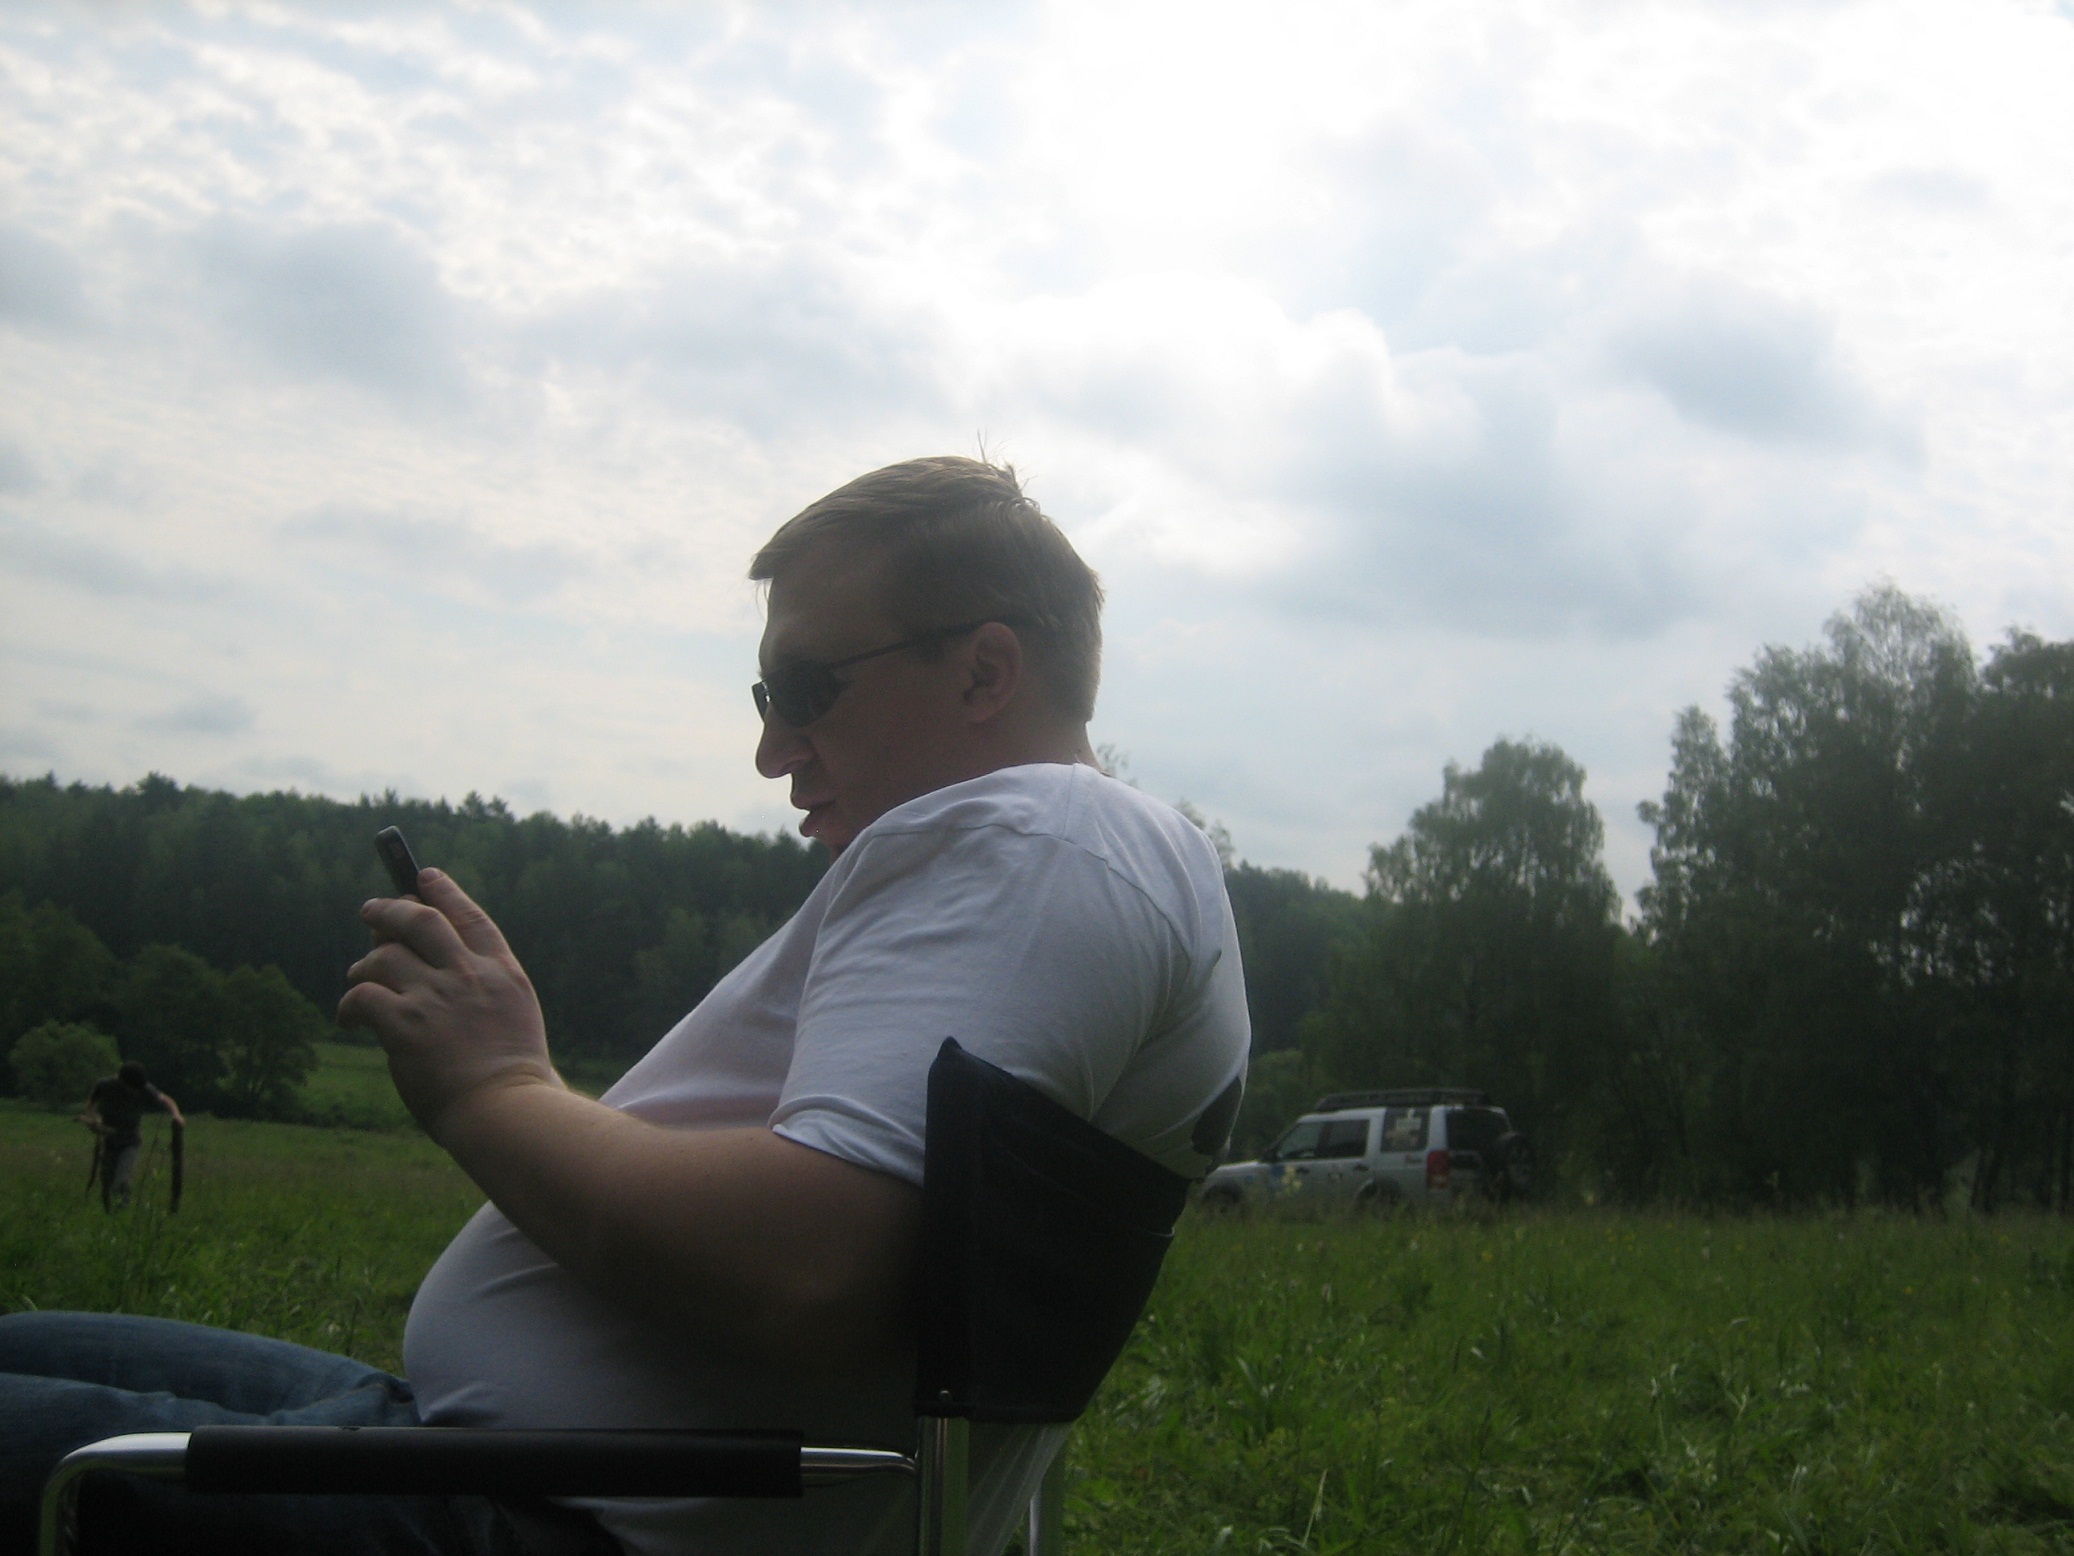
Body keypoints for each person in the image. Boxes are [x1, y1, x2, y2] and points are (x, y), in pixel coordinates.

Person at [0, 456, 1249, 1556]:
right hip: (491, 1461)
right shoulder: (1070, 866)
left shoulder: (1044, 836)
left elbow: (809, 1270)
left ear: (984, 671)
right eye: (765, 697)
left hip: (535, 1516)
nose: (772, 749)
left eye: (807, 686)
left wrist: (491, 1086)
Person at [79, 1061, 184, 1212]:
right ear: (121, 1081)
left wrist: (176, 1115)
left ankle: (123, 1209)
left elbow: (165, 1100)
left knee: (122, 1180)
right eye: (131, 1088)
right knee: (106, 1182)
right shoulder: (104, 1085)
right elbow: (91, 1103)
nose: (134, 1092)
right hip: (108, 1139)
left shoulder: (144, 1088)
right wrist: (93, 1119)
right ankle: (110, 1213)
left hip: (130, 1141)